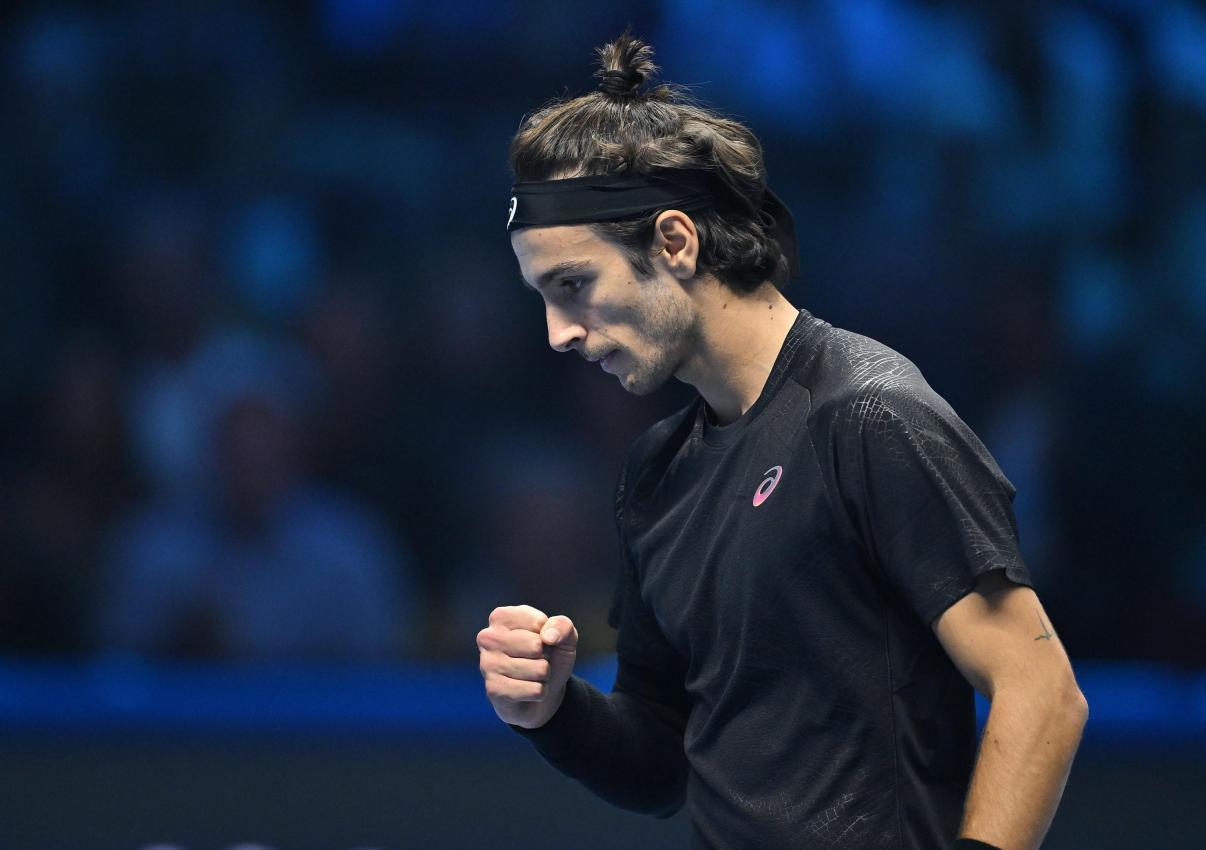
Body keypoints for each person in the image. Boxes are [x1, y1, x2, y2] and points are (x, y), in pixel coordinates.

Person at [476, 31, 1087, 850]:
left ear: (675, 243)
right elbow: (664, 764)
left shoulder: (869, 417)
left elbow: (1041, 692)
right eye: (543, 298)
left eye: (574, 285)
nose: (559, 333)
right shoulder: (656, 472)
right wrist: (553, 710)